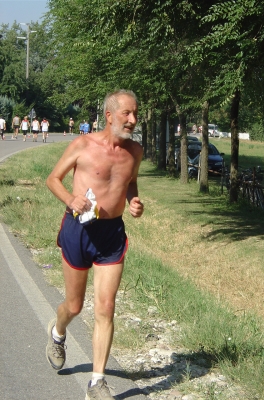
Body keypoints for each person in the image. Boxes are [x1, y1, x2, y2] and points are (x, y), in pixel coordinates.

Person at [45, 89, 144, 400]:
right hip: (78, 230)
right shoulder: (83, 145)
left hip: (111, 234)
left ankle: (96, 382)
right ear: (109, 116)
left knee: (106, 307)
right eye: (127, 113)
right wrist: (70, 198)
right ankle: (58, 332)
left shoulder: (135, 151)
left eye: (136, 114)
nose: (133, 119)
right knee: (74, 306)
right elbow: (53, 179)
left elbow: (130, 182)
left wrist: (134, 201)